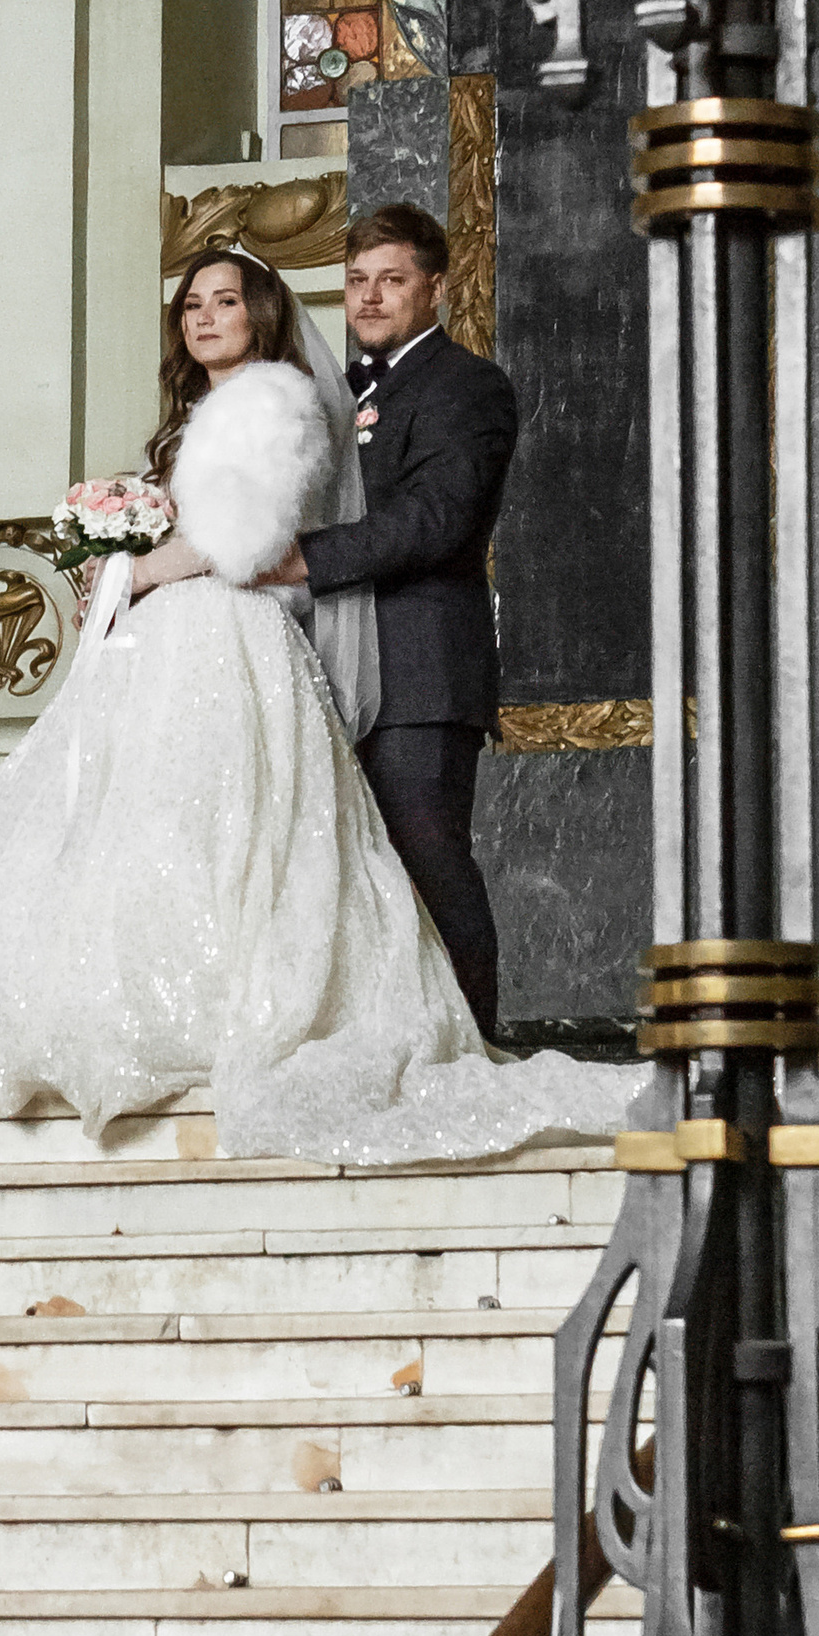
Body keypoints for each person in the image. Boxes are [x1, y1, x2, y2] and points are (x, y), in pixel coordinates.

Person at [0, 245, 629, 1165]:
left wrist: (132, 570)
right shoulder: (197, 417)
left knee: (236, 831)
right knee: (156, 826)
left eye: (225, 301)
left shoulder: (274, 400)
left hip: (226, 634)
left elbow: (240, 543)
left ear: (260, 311)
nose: (205, 317)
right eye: (191, 306)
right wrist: (119, 548)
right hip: (176, 640)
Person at [257, 202, 518, 1042]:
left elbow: (436, 520)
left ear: (435, 288)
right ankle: (393, 1041)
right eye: (358, 280)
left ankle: (477, 1046)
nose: (369, 299)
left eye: (392, 280)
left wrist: (304, 557)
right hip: (330, 664)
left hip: (417, 674)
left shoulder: (466, 385)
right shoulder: (331, 391)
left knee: (429, 863)